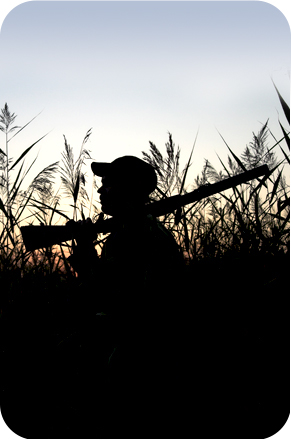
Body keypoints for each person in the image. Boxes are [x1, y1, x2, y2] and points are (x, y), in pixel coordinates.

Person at [66, 155, 185, 436]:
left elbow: (113, 299)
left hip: (137, 361)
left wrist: (84, 250)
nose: (100, 190)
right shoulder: (129, 232)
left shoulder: (139, 235)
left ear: (132, 188)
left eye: (108, 184)